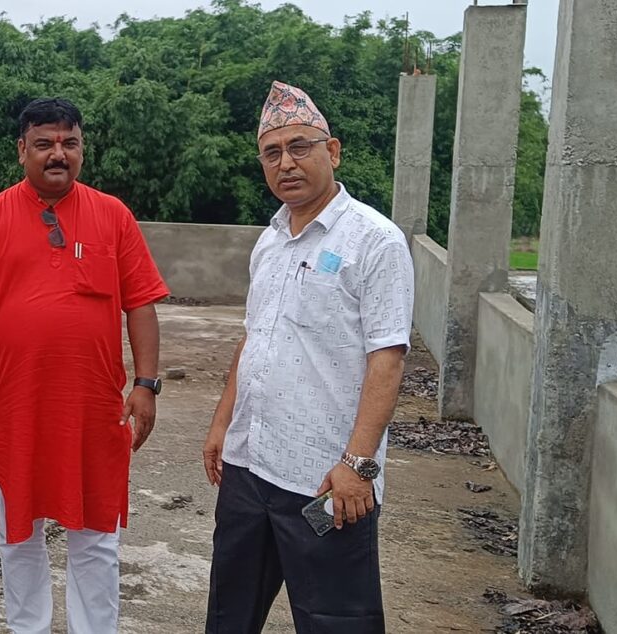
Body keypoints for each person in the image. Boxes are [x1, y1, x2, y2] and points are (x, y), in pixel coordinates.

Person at [0, 97, 170, 634]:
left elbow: (141, 303)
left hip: (94, 411)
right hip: (12, 410)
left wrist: (146, 384)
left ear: (82, 149)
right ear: (22, 151)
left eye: (69, 143)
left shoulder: (113, 215)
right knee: (18, 536)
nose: (58, 154)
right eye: (44, 143)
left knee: (96, 538)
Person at [200, 81, 413, 634]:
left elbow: (387, 360)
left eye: (300, 147)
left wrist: (358, 466)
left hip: (324, 478)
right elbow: (254, 337)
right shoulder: (270, 240)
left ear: (332, 151)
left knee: (335, 619)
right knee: (229, 614)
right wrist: (223, 423)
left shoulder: (376, 241)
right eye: (272, 153)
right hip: (249, 467)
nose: (286, 163)